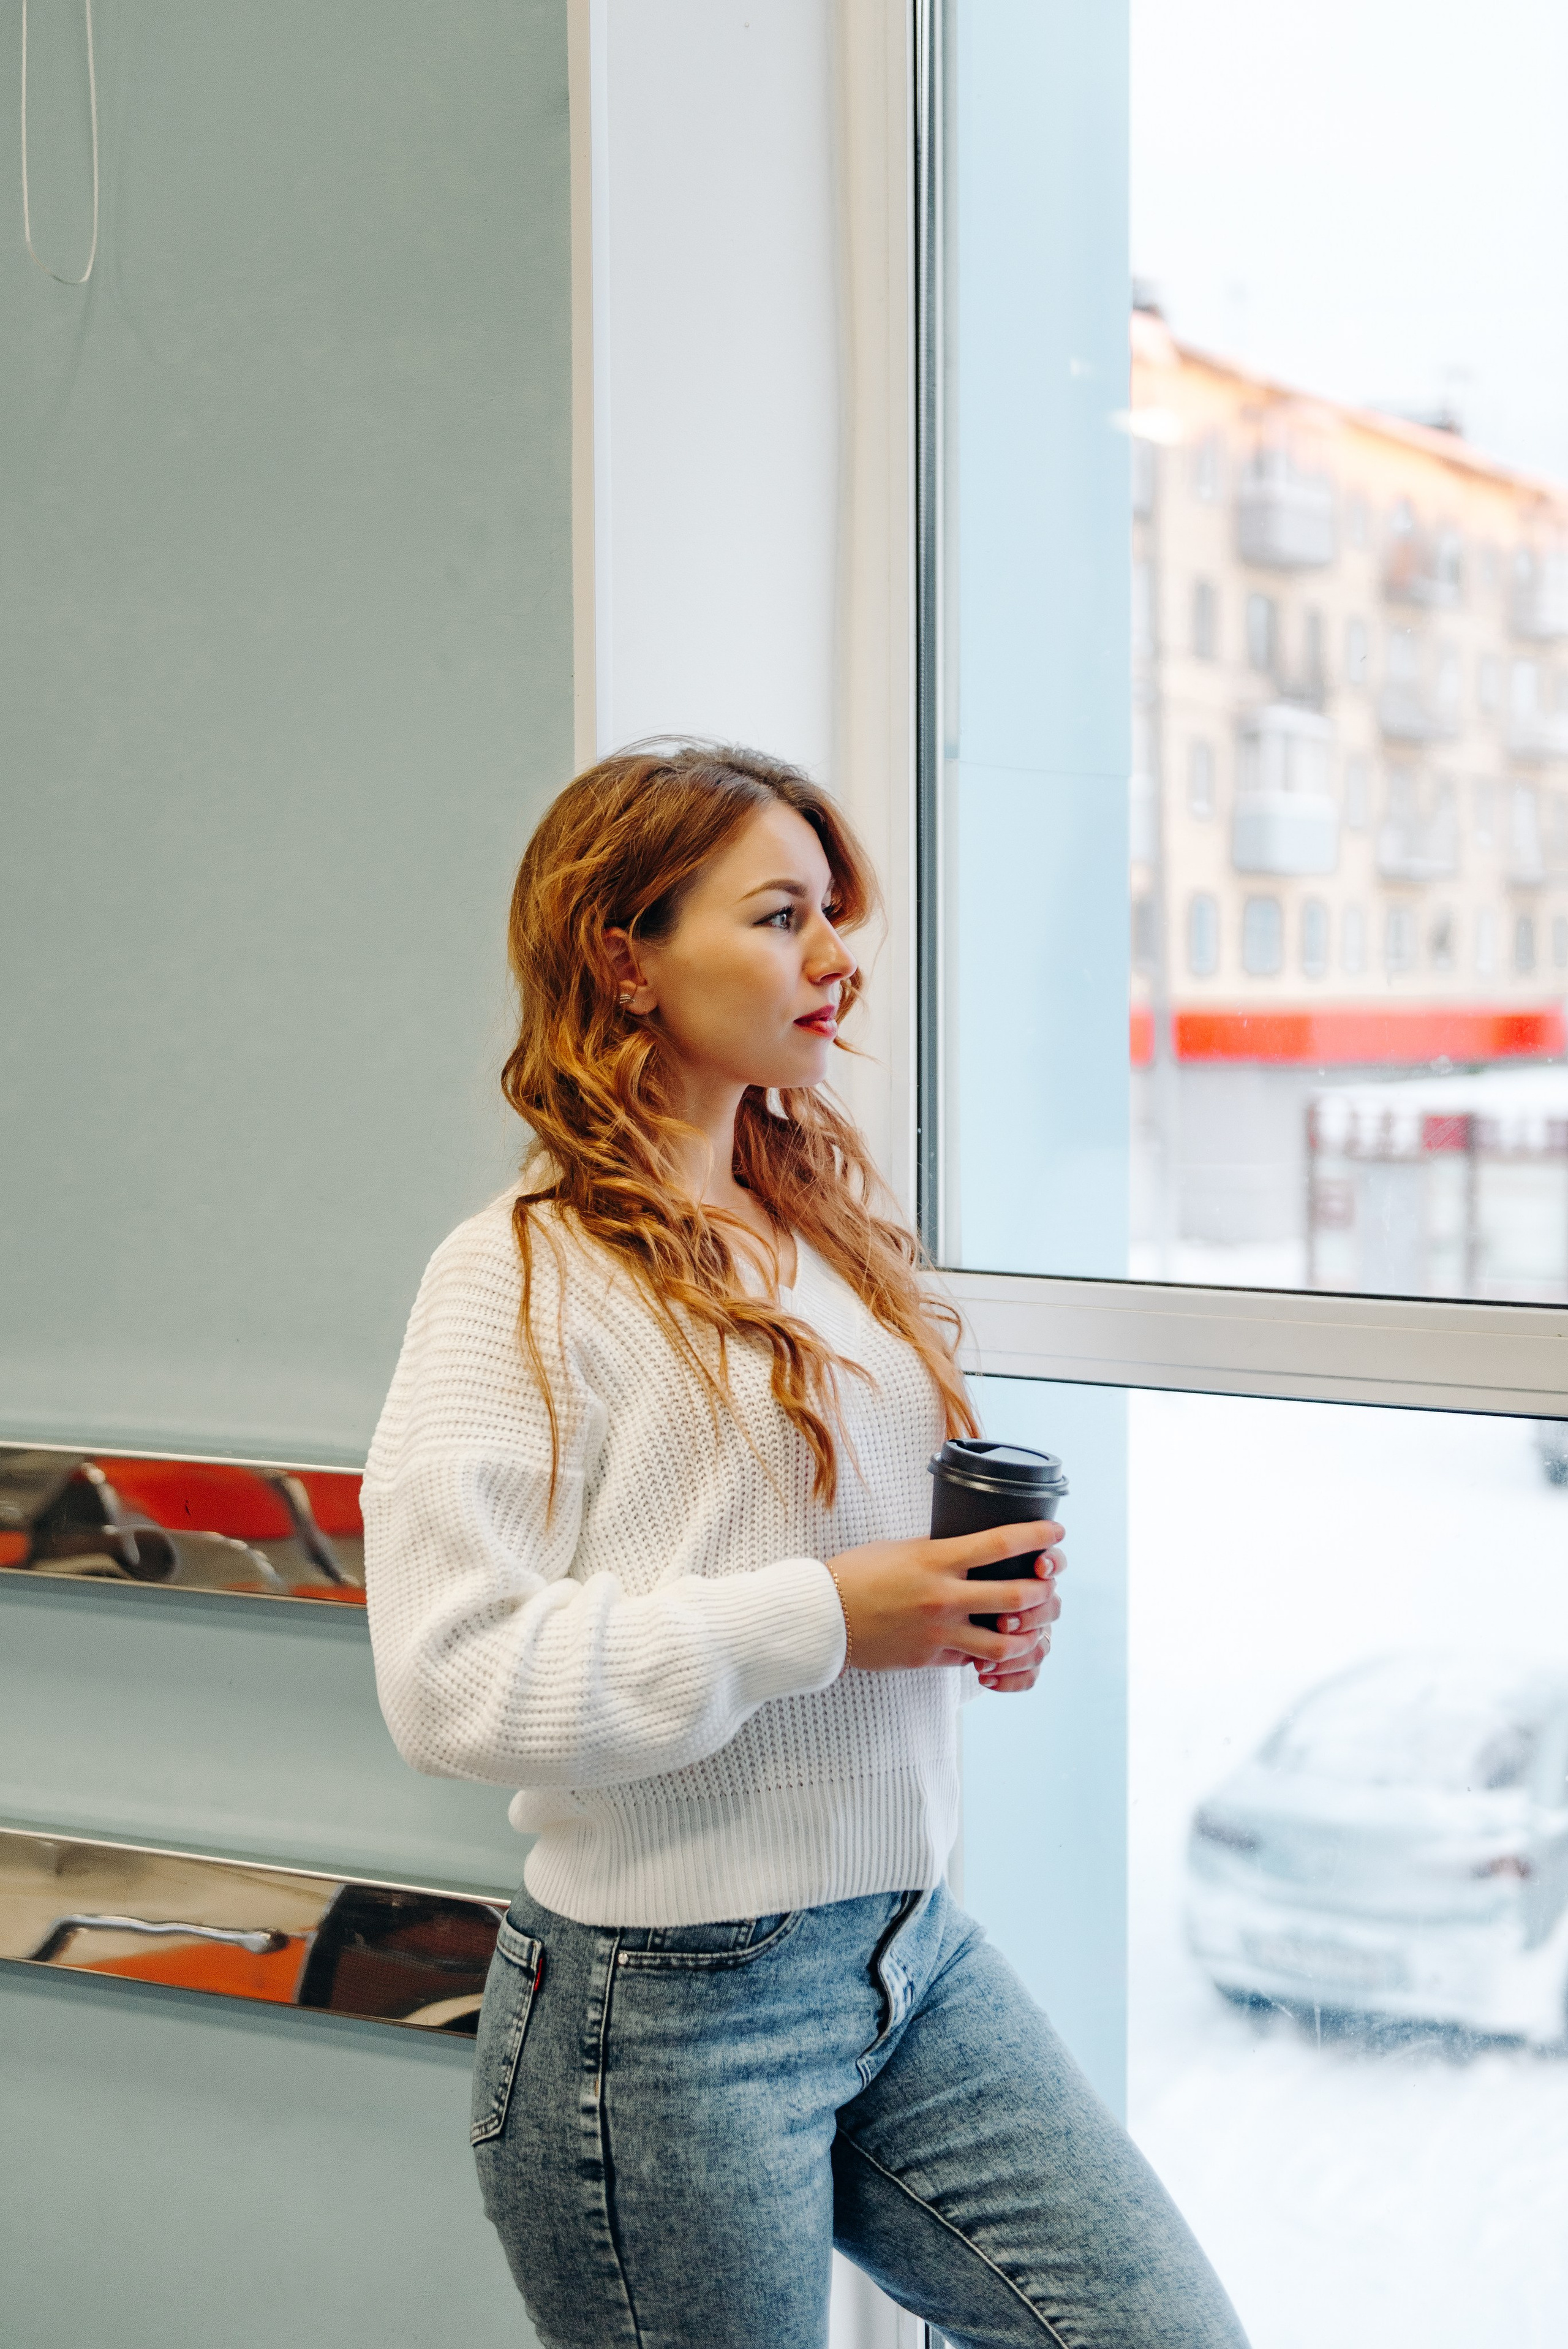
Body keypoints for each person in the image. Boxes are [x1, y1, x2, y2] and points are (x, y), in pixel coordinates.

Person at [364, 743, 1248, 2349]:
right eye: (782, 914)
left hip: (905, 1948)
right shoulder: (515, 1276)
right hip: (664, 2007)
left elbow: (825, 1563)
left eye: (834, 912)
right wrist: (831, 1615)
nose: (839, 956)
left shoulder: (830, 1234)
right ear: (623, 953)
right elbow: (449, 1683)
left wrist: (965, 1609)